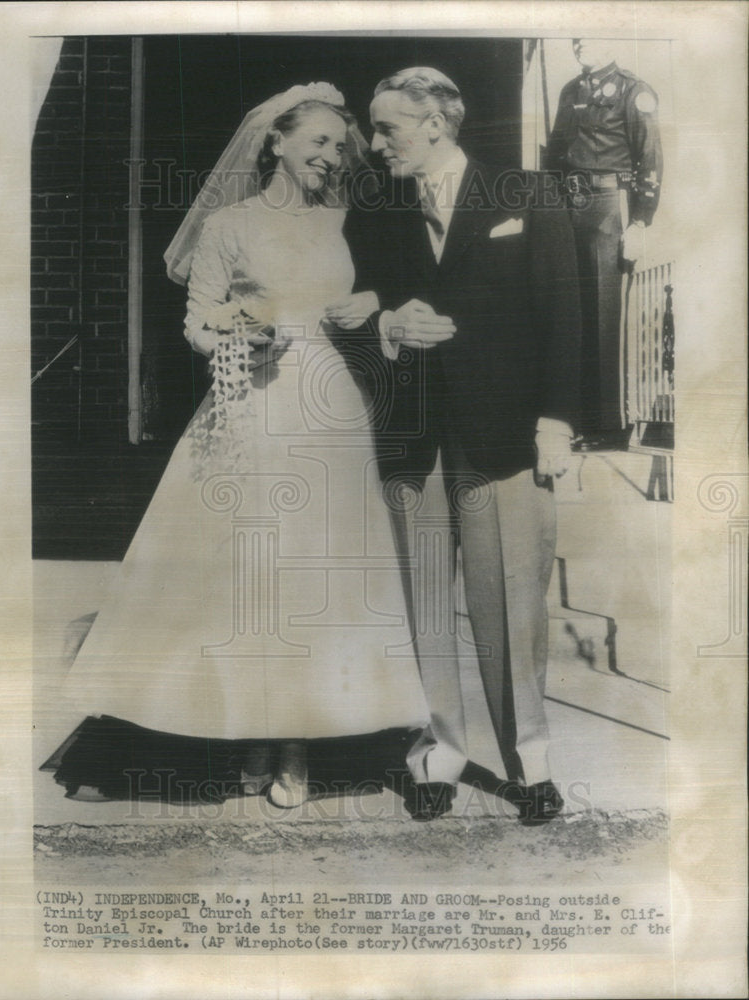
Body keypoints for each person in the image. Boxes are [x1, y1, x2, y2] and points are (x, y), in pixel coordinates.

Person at [42, 83, 428, 809]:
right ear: (274, 142)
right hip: (248, 404)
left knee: (318, 574)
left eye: (338, 146)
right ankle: (243, 736)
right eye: (316, 141)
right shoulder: (229, 224)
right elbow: (197, 320)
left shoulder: (351, 221)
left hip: (331, 408)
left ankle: (297, 744)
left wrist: (375, 303)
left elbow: (383, 294)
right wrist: (237, 330)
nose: (329, 155)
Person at [330, 67, 582, 823]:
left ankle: (529, 761)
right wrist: (386, 327)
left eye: (387, 129)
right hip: (414, 435)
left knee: (511, 603)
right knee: (426, 609)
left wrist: (556, 423)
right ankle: (437, 753)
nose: (373, 145)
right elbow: (354, 315)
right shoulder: (373, 211)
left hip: (506, 436)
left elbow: (566, 318)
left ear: (436, 123)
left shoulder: (526, 196)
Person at [546, 38, 663, 449]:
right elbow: (555, 154)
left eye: (589, 36)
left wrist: (640, 222)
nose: (579, 44)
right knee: (572, 312)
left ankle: (608, 427)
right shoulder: (570, 90)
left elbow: (649, 157)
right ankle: (574, 418)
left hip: (609, 205)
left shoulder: (633, 90)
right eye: (575, 37)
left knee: (604, 316)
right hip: (567, 203)